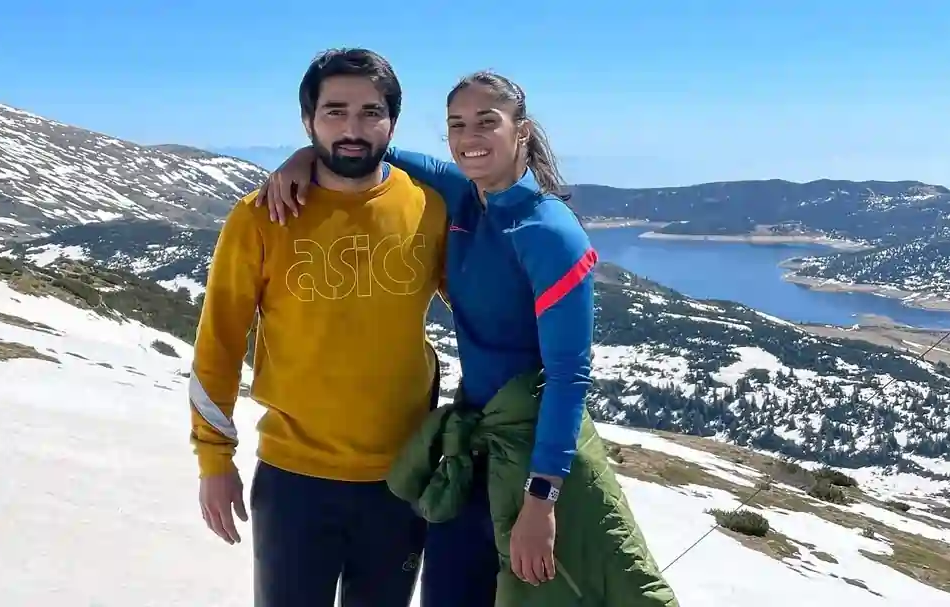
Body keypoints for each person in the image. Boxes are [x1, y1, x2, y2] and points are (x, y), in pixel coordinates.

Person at [257, 71, 677, 607]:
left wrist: (541, 502)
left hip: (531, 457)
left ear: (521, 130)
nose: (468, 137)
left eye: (486, 122)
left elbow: (569, 378)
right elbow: (371, 149)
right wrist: (302, 158)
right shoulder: (463, 195)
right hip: (470, 448)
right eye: (456, 124)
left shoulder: (549, 232)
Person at [189, 48, 450, 607]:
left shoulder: (429, 209)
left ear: (392, 122)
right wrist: (214, 460)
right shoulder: (261, 216)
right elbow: (219, 343)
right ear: (308, 120)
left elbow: (487, 315)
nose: (352, 129)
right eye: (335, 112)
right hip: (294, 481)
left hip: (402, 479)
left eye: (370, 112)